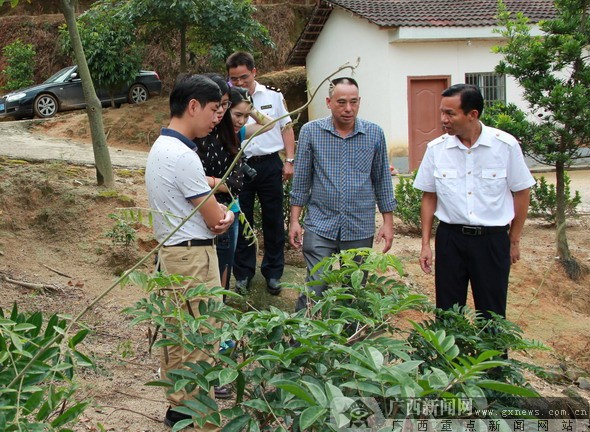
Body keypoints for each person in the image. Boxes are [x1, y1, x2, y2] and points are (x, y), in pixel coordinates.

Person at [145, 74, 234, 430]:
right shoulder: (183, 155)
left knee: (177, 337)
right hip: (194, 257)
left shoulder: (160, 148)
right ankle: (206, 421)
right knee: (201, 339)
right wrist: (227, 215)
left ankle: (179, 409)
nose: (217, 118)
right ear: (193, 106)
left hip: (171, 254)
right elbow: (214, 218)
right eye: (214, 110)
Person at [413, 83, 535, 320]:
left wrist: (514, 240)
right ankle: (449, 358)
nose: (443, 119)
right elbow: (429, 196)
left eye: (450, 113)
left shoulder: (505, 146)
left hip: (492, 241)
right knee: (448, 313)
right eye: (442, 112)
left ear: (472, 115)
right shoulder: (436, 149)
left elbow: (521, 192)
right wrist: (426, 244)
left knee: (492, 314)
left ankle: (494, 357)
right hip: (451, 240)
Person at [288, 77, 396, 311]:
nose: (348, 109)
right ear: (329, 102)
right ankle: (301, 339)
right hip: (320, 223)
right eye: (342, 102)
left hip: (359, 225)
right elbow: (302, 179)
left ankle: (349, 341)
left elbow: (382, 180)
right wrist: (294, 220)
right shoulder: (311, 132)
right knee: (316, 285)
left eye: (354, 102)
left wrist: (388, 222)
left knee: (353, 289)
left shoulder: (374, 134)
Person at [226, 51, 296, 296]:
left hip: (269, 165)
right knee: (242, 220)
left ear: (254, 72)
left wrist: (289, 160)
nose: (240, 82)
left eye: (244, 77)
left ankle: (274, 273)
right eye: (234, 79)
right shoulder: (228, 99)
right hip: (239, 165)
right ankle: (243, 273)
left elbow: (286, 128)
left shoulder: (274, 96)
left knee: (273, 220)